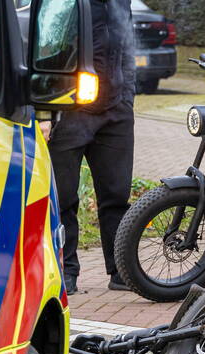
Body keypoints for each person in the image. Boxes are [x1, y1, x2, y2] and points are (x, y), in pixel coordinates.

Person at [48, 0, 136, 295]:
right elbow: (47, 44)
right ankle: (66, 271)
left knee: (116, 196)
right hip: (70, 109)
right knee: (63, 197)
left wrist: (127, 99)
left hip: (116, 111)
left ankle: (120, 272)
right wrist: (47, 109)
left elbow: (127, 48)